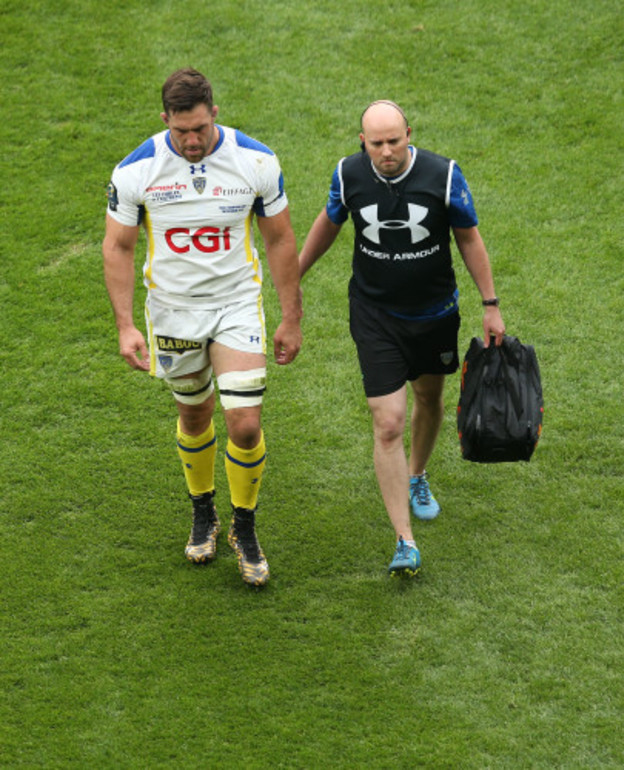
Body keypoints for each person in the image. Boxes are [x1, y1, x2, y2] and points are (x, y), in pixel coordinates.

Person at [103, 68, 302, 587]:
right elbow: (118, 247)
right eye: (181, 131)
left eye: (200, 130)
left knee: (245, 424)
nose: (192, 142)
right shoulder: (135, 170)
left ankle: (245, 524)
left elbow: (279, 240)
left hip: (236, 306)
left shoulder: (256, 161)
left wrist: (292, 316)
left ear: (215, 112)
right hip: (172, 312)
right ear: (165, 119)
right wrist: (125, 325)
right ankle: (202, 512)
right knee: (195, 417)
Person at [298, 100, 505, 578]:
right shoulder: (348, 175)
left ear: (409, 133)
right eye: (377, 143)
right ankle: (404, 540)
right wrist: (294, 275)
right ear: (362, 142)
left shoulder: (444, 175)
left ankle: (417, 476)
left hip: (434, 314)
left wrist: (489, 304)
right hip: (375, 315)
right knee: (389, 422)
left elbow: (469, 238)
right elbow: (328, 223)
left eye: (395, 140)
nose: (387, 151)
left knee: (429, 398)